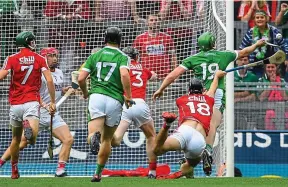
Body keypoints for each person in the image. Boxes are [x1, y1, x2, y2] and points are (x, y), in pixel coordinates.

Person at [152, 31, 265, 176]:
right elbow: (244, 52)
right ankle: (208, 150)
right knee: (213, 124)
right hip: (216, 93)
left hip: (200, 94)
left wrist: (161, 88)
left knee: (198, 122)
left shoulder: (193, 58)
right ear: (213, 43)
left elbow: (174, 74)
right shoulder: (225, 55)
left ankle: (188, 153)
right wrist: (256, 44)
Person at [0, 47, 74, 177]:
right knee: (21, 142)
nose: (55, 58)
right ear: (44, 57)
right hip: (38, 112)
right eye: (51, 56)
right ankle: (1, 162)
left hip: (53, 115)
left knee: (68, 139)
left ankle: (60, 169)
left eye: (56, 55)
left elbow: (53, 89)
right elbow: (34, 93)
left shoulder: (59, 72)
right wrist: (45, 105)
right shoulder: (38, 73)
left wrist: (63, 90)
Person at [78, 26, 134, 182]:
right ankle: (97, 173)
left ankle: (93, 138)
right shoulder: (123, 57)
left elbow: (81, 78)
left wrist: (85, 93)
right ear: (120, 40)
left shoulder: (95, 55)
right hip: (115, 99)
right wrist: (128, 96)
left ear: (105, 39)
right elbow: (124, 74)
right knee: (107, 140)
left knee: (92, 135)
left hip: (96, 96)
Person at [0, 31, 56, 179]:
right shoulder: (39, 58)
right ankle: (28, 125)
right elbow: (49, 81)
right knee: (31, 139)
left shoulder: (11, 58)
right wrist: (53, 102)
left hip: (15, 105)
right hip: (31, 102)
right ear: (30, 42)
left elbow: (1, 76)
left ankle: (14, 170)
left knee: (15, 140)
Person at [153, 70, 226, 179]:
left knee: (157, 150)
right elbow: (213, 88)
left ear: (189, 90)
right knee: (191, 165)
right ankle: (176, 174)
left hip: (185, 130)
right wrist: (216, 76)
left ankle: (166, 125)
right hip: (199, 139)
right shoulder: (209, 99)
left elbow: (195, 99)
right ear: (203, 90)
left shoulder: (181, 100)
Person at [110, 47, 158, 179]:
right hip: (140, 104)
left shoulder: (121, 67)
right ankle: (152, 172)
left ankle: (103, 135)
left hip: (125, 104)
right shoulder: (143, 68)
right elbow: (154, 76)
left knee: (116, 140)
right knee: (151, 137)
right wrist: (152, 73)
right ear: (136, 57)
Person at [239, 10, 288, 78]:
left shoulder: (274, 30)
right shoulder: (250, 32)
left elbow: (284, 45)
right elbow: (242, 47)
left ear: (266, 19)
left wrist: (286, 59)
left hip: (272, 66)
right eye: (257, 17)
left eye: (262, 17)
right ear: (254, 20)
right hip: (255, 65)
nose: (259, 19)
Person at [133, 14, 177, 79]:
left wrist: (175, 75)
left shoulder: (167, 38)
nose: (154, 22)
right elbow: (135, 59)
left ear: (159, 22)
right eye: (151, 20)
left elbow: (173, 57)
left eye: (156, 20)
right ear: (147, 23)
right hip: (146, 75)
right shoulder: (139, 38)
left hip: (164, 75)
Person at [257, 64, 288, 130]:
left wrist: (277, 84)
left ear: (276, 68)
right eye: (268, 67)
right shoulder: (261, 80)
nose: (270, 69)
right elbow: (261, 98)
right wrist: (271, 84)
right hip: (265, 110)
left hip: (282, 109)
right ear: (265, 68)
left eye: (272, 67)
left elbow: (285, 97)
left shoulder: (282, 81)